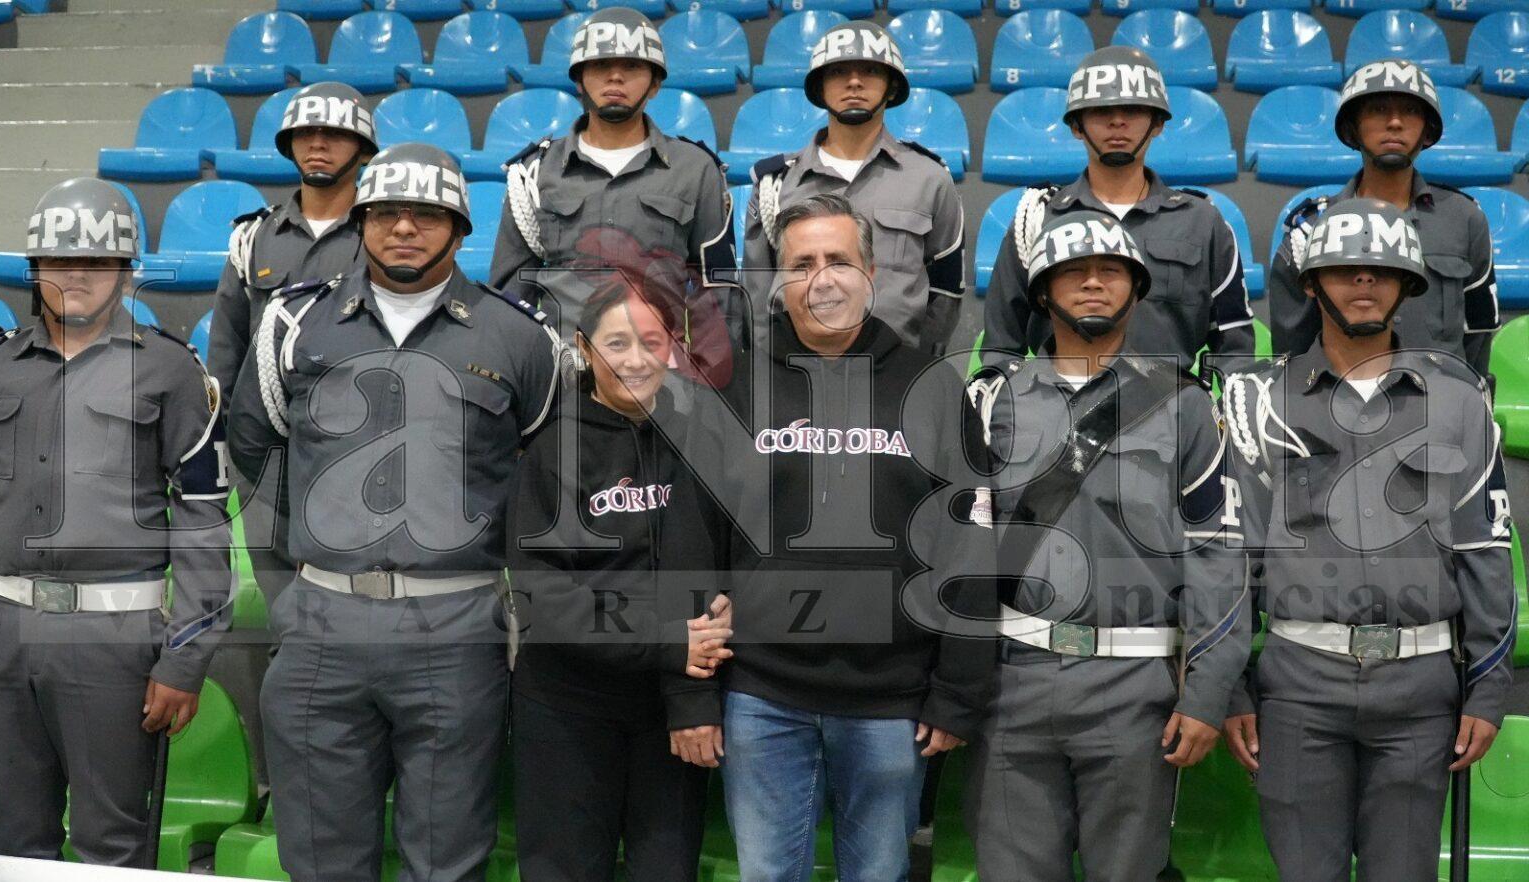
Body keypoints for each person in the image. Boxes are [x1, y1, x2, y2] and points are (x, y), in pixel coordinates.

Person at [227, 143, 562, 882]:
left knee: (446, 856)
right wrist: (308, 577)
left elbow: (542, 474)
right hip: (321, 622)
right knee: (320, 858)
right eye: (385, 213)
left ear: (460, 229)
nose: (403, 228)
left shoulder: (521, 335)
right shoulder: (294, 322)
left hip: (457, 627)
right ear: (361, 222)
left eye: (426, 215)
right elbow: (257, 456)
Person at [1221, 199, 1516, 881]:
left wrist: (1488, 687)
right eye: (1345, 269)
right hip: (1298, 685)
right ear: (1311, 284)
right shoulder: (1259, 403)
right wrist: (1231, 687)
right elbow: (1232, 557)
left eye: (1381, 271)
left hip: (1421, 691)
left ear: (1407, 284)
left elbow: (1486, 551)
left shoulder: (1458, 401)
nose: (1364, 282)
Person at [706, 193, 993, 882]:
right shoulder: (733, 387)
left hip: (892, 701)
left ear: (871, 273)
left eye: (838, 260)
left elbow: (972, 548)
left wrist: (957, 691)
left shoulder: (933, 387)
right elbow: (696, 536)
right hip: (761, 695)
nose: (821, 279)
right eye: (801, 264)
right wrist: (692, 687)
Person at [965, 210, 1249, 881]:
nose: (1094, 283)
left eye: (1111, 271)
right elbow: (959, 554)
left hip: (1136, 689)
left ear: (1137, 290)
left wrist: (1207, 691)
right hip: (1011, 680)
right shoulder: (993, 404)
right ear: (1042, 293)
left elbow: (1218, 556)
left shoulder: (1183, 405)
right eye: (1074, 272)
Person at [0, 178, 232, 866]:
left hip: (112, 638)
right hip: (2, 632)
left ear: (127, 272)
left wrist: (185, 658)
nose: (76, 276)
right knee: (9, 843)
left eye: (96, 262)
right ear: (33, 269)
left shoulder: (172, 371)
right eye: (59, 260)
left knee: (112, 847)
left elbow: (203, 521)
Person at [506, 273, 734, 882]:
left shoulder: (701, 441)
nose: (636, 360)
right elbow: (542, 597)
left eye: (652, 342)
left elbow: (726, 564)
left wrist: (731, 613)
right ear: (584, 348)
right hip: (567, 708)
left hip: (667, 710)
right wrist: (665, 640)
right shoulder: (552, 451)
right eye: (616, 343)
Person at [981, 47, 1253, 374]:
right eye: (1101, 110)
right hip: (1057, 403)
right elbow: (1000, 345)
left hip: (1172, 402)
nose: (1117, 121)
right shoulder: (1037, 219)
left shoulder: (1203, 222)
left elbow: (1235, 350)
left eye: (1133, 109)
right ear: (1076, 125)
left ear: (1158, 123)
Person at [210, 81, 377, 607]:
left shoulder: (386, 233)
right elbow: (227, 351)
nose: (317, 144)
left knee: (357, 594)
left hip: (357, 445)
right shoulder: (252, 239)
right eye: (305, 134)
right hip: (264, 454)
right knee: (283, 601)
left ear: (363, 149)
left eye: (334, 134)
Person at [490, 8, 736, 337]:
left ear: (655, 84)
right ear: (579, 80)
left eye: (631, 66)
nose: (615, 77)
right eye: (601, 65)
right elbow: (510, 296)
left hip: (658, 360)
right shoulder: (534, 172)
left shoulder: (696, 168)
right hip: (560, 359)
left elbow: (718, 291)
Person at [743, 21, 965, 355]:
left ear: (892, 86)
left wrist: (918, 363)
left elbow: (946, 291)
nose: (854, 82)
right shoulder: (775, 182)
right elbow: (757, 291)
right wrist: (768, 367)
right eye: (838, 71)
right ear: (819, 87)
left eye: (870, 71)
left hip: (896, 367)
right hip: (794, 368)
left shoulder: (930, 178)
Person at [1267, 60, 1499, 376]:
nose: (1394, 122)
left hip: (1443, 398)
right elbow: (1291, 348)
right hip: (1340, 400)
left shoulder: (1465, 218)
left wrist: (1465, 396)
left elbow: (1479, 334)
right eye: (1378, 110)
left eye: (1410, 111)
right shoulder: (1311, 227)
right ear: (1353, 127)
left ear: (1428, 129)